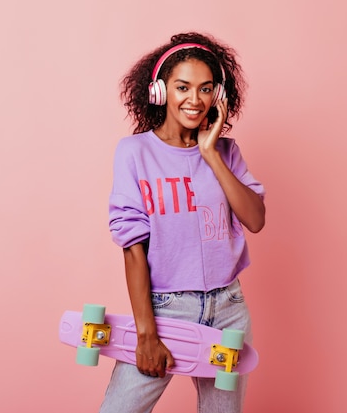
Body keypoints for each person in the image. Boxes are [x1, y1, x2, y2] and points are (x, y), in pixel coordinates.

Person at [100, 32, 266, 413]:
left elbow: (254, 219)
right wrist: (146, 333)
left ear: (219, 95)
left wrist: (210, 154)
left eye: (206, 88)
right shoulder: (134, 153)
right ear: (159, 91)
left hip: (229, 308)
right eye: (183, 87)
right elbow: (133, 249)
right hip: (165, 309)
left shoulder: (226, 151)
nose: (195, 99)